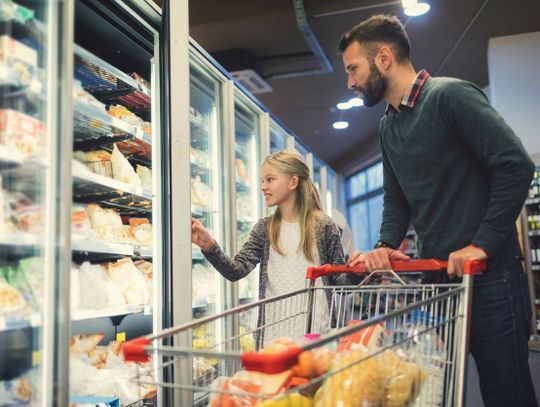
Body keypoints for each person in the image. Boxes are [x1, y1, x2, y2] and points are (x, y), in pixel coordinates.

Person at [339, 15, 537, 407]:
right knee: (440, 393)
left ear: (383, 58)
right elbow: (397, 200)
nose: (350, 82)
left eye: (353, 69)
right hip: (441, 283)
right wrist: (384, 245)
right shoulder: (388, 126)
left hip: (492, 279)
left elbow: (516, 165)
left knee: (506, 393)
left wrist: (481, 244)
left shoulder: (450, 96)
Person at [191, 150, 357, 337]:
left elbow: (339, 282)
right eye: (262, 181)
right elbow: (236, 270)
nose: (263, 187)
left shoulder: (324, 226)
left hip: (316, 335)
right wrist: (209, 246)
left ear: (293, 182)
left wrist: (357, 270)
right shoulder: (264, 228)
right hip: (273, 337)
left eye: (269, 180)